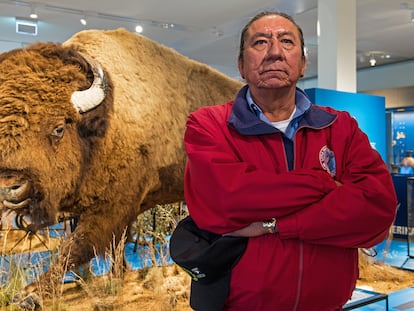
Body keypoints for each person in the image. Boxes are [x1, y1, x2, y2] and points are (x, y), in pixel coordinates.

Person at [182, 11, 398, 311]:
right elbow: (223, 200)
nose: (274, 52)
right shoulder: (209, 125)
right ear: (242, 66)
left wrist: (273, 225)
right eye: (260, 42)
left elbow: (377, 208)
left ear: (303, 62)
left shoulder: (340, 127)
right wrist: (323, 183)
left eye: (286, 41)